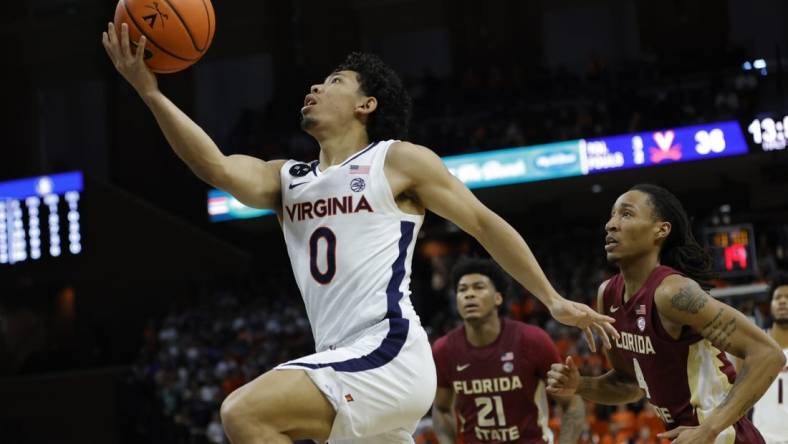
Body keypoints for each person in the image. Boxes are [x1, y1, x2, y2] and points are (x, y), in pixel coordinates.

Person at [101, 24, 617, 444]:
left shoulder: (395, 160)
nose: (314, 88)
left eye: (334, 83)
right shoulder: (287, 179)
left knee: (243, 413)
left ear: (365, 106)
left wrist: (551, 298)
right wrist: (149, 92)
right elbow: (212, 164)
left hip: (387, 349)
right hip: (345, 359)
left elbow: (483, 223)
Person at [546, 184, 785, 444]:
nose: (611, 224)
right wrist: (580, 385)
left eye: (626, 214)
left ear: (661, 230)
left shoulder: (673, 292)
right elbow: (630, 385)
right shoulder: (608, 295)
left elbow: (768, 354)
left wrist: (710, 428)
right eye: (612, 215)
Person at [432, 258, 585, 444]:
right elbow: (440, 408)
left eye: (478, 287)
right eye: (462, 289)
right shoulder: (444, 350)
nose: (469, 295)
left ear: (498, 297)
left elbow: (572, 404)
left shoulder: (532, 340)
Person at [751, 272, 788, 444]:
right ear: (770, 304)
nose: (782, 301)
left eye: (787, 297)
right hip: (762, 437)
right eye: (777, 297)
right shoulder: (754, 345)